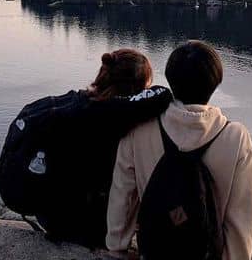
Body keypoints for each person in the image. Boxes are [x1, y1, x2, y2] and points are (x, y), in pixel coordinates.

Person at [106, 40, 252, 260]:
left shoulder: (141, 127)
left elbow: (123, 191)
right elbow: (241, 216)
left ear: (170, 78)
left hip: (155, 257)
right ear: (215, 82)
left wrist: (117, 246)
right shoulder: (235, 136)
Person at [28, 49, 172, 249]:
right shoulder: (114, 118)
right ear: (136, 88)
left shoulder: (80, 103)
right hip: (89, 229)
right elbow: (163, 95)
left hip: (52, 219)